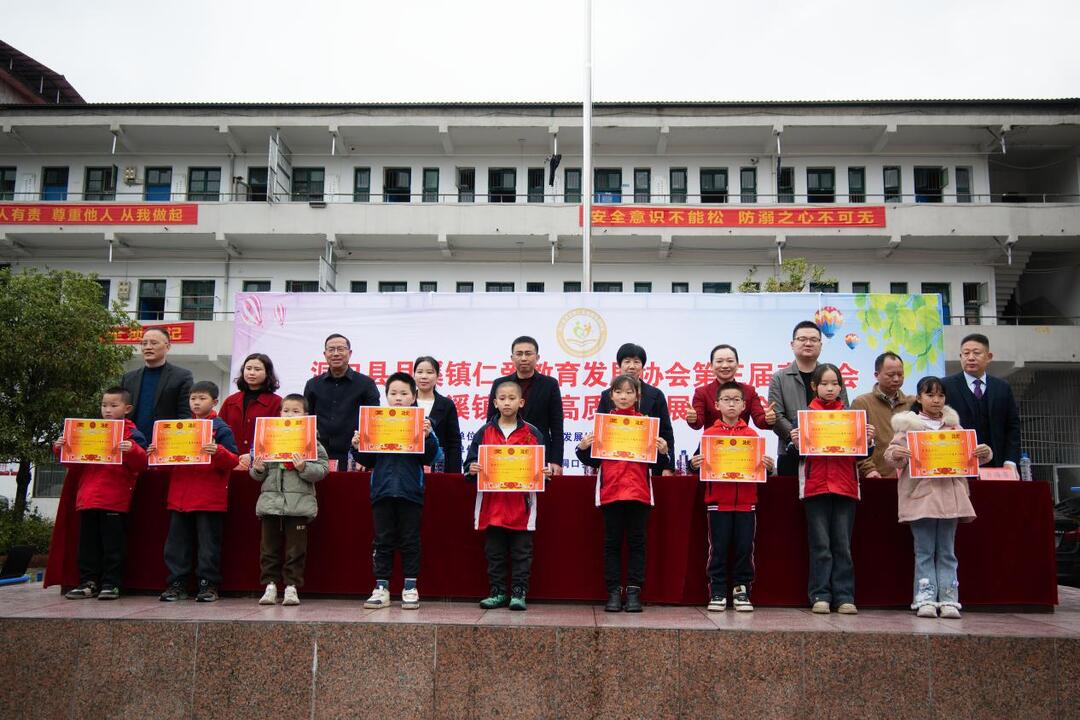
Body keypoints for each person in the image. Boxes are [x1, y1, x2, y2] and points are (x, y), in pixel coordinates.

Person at [883, 376, 992, 619]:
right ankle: (925, 599)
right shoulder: (909, 427)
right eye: (930, 395)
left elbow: (971, 458)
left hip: (950, 498)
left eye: (941, 395)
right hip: (921, 498)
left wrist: (983, 453)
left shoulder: (954, 428)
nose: (936, 400)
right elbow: (890, 457)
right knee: (924, 551)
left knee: (946, 551)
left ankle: (949, 599)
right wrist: (897, 453)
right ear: (919, 398)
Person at [576, 374, 670, 613]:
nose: (624, 396)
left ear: (638, 396)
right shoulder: (604, 425)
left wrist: (663, 452)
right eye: (619, 392)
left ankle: (634, 592)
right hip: (611, 491)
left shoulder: (646, 425)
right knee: (612, 544)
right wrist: (583, 448)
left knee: (637, 543)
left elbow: (657, 464)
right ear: (611, 396)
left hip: (639, 492)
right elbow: (593, 461)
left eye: (629, 392)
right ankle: (614, 593)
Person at [788, 363, 875, 615]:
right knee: (821, 545)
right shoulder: (804, 417)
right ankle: (820, 595)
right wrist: (795, 443)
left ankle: (845, 596)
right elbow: (795, 456)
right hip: (815, 487)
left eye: (835, 384)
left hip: (846, 486)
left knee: (842, 545)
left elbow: (862, 455)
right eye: (824, 384)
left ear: (841, 387)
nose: (830, 388)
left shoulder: (851, 417)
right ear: (814, 386)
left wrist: (869, 441)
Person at [351, 372, 440, 610]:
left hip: (410, 492)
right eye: (393, 393)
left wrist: (428, 437)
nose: (398, 398)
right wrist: (357, 446)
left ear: (413, 396)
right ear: (386, 396)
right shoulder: (376, 422)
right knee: (383, 541)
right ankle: (381, 588)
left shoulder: (422, 424)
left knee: (410, 540)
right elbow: (366, 461)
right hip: (382, 490)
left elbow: (431, 458)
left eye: (403, 393)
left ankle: (410, 587)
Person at [463, 380, 552, 611]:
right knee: (495, 553)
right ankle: (498, 592)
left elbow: (541, 469)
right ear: (495, 403)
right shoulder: (484, 432)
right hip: (492, 506)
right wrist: (472, 468)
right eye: (502, 398)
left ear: (521, 402)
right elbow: (469, 463)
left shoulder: (532, 433)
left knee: (522, 553)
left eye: (512, 398)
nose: (507, 402)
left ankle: (519, 593)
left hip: (521, 507)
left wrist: (544, 473)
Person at [689, 381, 776, 612]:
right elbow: (696, 467)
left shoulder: (752, 436)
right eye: (726, 400)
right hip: (718, 504)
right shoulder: (709, 435)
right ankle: (717, 591)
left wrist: (768, 467)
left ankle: (741, 590)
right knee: (718, 549)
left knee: (744, 549)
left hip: (746, 504)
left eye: (736, 400)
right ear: (716, 405)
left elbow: (760, 470)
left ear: (744, 405)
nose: (731, 404)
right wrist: (693, 463)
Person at [54, 387, 147, 600]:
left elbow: (142, 465)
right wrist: (61, 448)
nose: (107, 410)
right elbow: (73, 464)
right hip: (87, 497)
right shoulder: (88, 431)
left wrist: (132, 450)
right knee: (87, 544)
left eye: (114, 405)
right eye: (104, 405)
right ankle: (88, 582)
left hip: (115, 499)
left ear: (127, 408)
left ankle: (111, 583)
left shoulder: (132, 434)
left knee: (113, 545)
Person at [155, 381, 239, 603]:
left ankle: (208, 585)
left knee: (208, 546)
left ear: (215, 402)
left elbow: (233, 460)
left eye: (202, 398)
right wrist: (157, 452)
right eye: (193, 398)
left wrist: (217, 451)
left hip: (209, 497)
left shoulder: (221, 429)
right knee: (177, 545)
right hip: (180, 496)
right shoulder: (179, 429)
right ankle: (177, 584)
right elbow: (165, 464)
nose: (196, 403)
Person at [251, 393, 330, 607]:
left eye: (296, 411)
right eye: (286, 410)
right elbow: (257, 473)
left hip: (299, 506)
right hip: (270, 503)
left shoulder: (311, 441)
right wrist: (258, 469)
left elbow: (323, 469)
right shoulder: (268, 438)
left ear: (306, 415)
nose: (290, 415)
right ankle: (269, 586)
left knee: (296, 550)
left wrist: (303, 467)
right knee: (269, 549)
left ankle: (291, 587)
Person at [769, 321, 850, 476]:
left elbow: (844, 411)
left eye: (813, 339)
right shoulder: (779, 378)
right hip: (791, 453)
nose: (808, 343)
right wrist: (800, 439)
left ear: (820, 345)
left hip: (829, 453)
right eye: (802, 339)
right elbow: (777, 416)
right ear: (792, 344)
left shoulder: (833, 375)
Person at [941, 333, 1021, 471]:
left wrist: (1010, 461)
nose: (971, 357)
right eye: (966, 353)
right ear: (960, 357)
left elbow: (1012, 427)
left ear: (988, 357)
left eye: (976, 353)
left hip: (997, 465)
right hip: (958, 466)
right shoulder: (945, 386)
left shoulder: (1002, 387)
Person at [488, 336, 564, 475]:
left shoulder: (550, 384)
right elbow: (491, 423)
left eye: (528, 353)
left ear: (537, 357)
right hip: (505, 453)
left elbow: (557, 426)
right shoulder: (500, 384)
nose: (523, 358)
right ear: (512, 358)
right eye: (519, 353)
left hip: (539, 452)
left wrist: (556, 461)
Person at [596, 342, 675, 475]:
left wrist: (668, 466)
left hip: (648, 466)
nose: (632, 366)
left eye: (636, 362)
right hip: (614, 465)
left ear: (642, 366)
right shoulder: (607, 395)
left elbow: (666, 433)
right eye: (627, 361)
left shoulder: (656, 395)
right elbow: (601, 430)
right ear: (619, 365)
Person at [304, 333, 380, 467]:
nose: (336, 353)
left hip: (353, 456)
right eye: (331, 350)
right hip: (318, 456)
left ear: (349, 353)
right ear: (325, 354)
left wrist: (364, 456)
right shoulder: (312, 384)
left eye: (340, 349)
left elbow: (373, 421)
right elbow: (306, 418)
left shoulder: (366, 384)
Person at [120, 327, 194, 440]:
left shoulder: (182, 377)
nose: (148, 347)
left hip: (166, 442)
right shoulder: (129, 378)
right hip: (133, 443)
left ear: (167, 347)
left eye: (154, 343)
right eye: (144, 343)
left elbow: (185, 415)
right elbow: (121, 413)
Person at [851, 351, 914, 479]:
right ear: (877, 375)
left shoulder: (912, 403)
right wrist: (868, 469)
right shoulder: (862, 402)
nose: (896, 379)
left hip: (908, 478)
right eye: (890, 375)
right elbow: (855, 443)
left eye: (900, 374)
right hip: (876, 476)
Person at [687, 343, 776, 431]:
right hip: (712, 439)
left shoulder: (749, 391)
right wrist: (693, 419)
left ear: (737, 365)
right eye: (719, 361)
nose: (725, 365)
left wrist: (767, 419)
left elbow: (759, 420)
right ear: (711, 366)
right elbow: (698, 423)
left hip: (741, 439)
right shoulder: (702, 392)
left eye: (730, 361)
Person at [219, 353, 283, 468]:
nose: (251, 373)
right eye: (248, 368)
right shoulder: (230, 401)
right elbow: (219, 433)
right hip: (231, 465)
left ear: (267, 373)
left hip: (262, 468)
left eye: (257, 369)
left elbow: (279, 438)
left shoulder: (277, 403)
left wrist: (253, 456)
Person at [414, 356, 463, 473]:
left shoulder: (446, 404)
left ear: (437, 377)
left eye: (429, 372)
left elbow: (454, 443)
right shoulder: (406, 403)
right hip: (410, 468)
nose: (424, 376)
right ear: (414, 375)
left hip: (439, 468)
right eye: (419, 372)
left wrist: (453, 475)